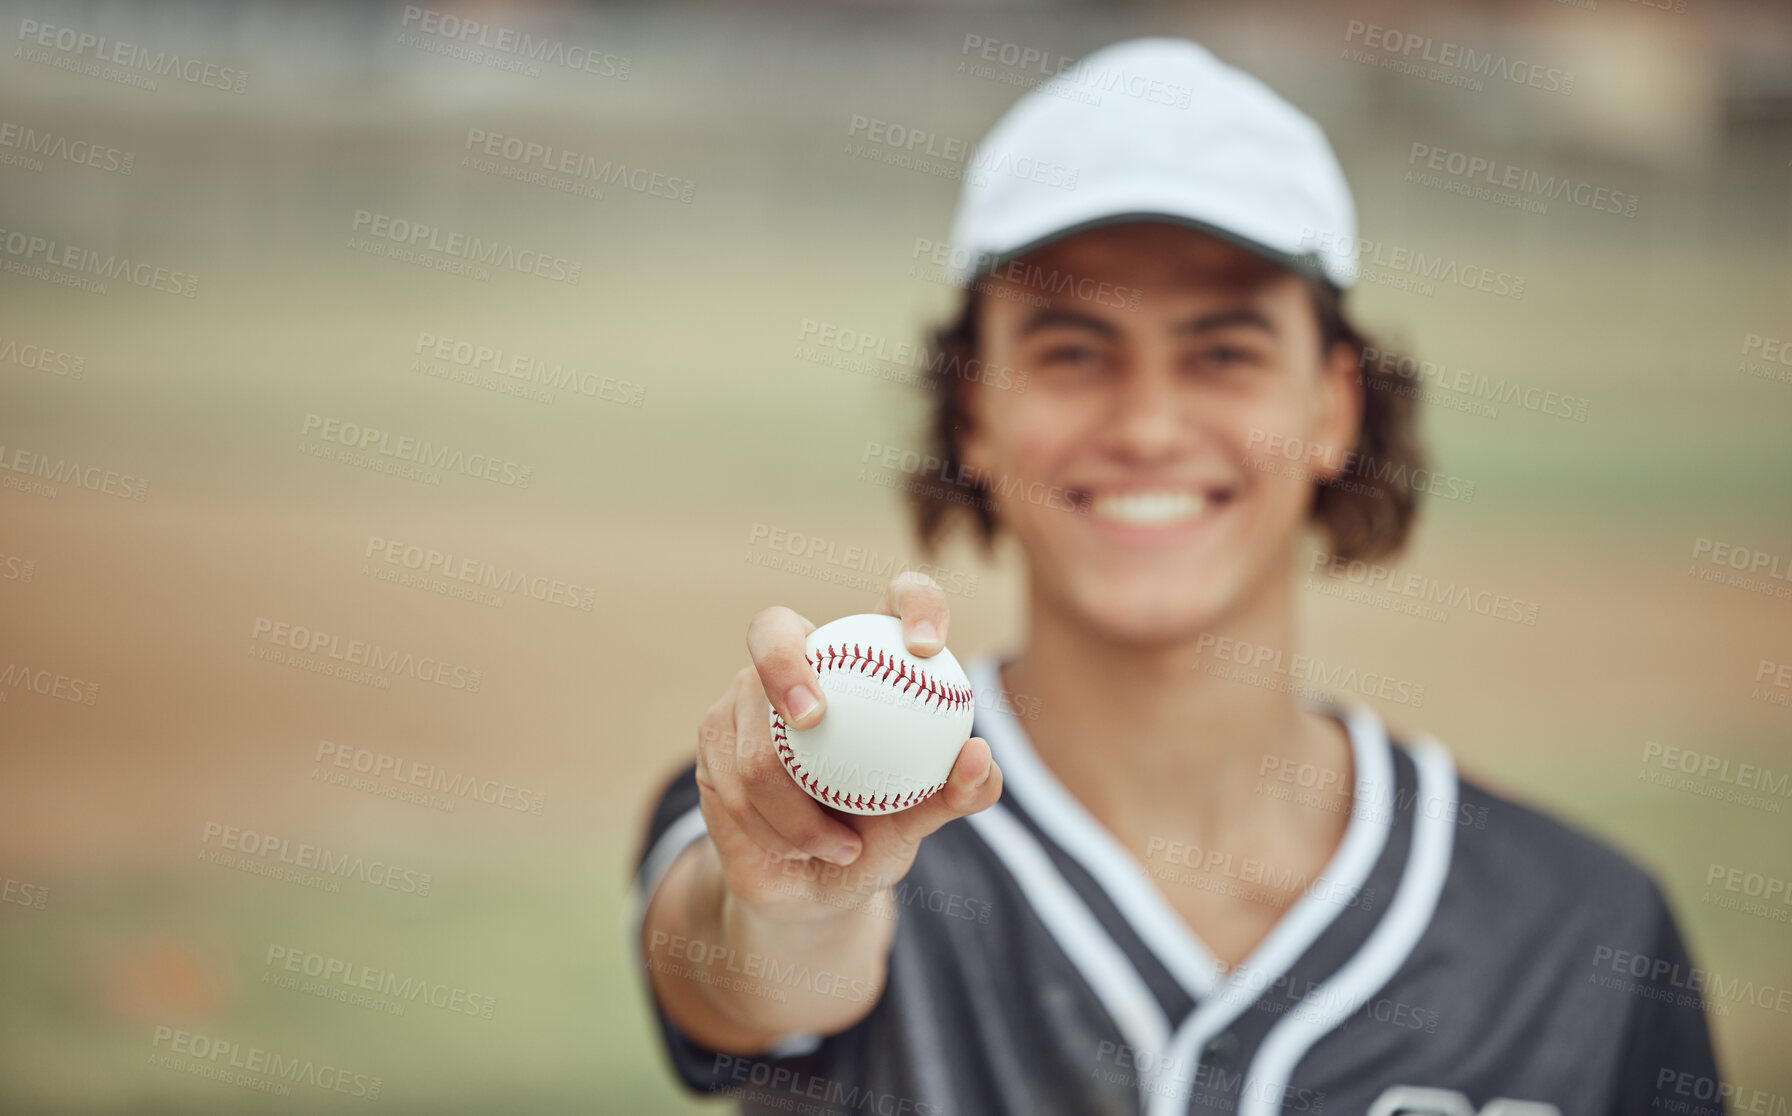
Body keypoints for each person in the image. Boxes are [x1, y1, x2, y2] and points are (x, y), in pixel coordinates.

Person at [630, 37, 1724, 1116]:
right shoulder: (807, 801)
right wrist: (792, 908)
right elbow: (743, 978)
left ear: (1333, 406)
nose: (1148, 425)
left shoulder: (1586, 931)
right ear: (973, 409)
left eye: (1222, 352)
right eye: (1073, 351)